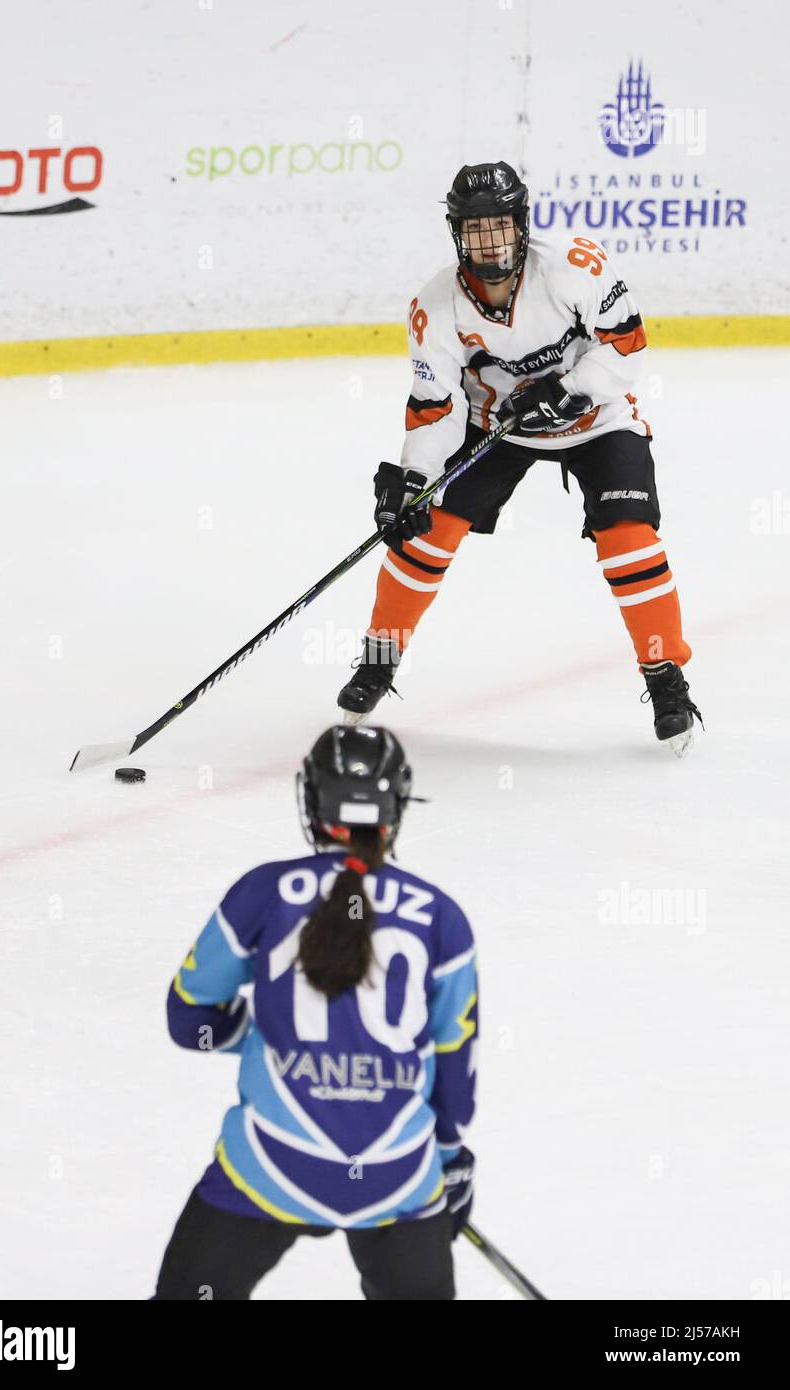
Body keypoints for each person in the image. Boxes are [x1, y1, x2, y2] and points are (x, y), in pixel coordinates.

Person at [337, 160, 703, 756]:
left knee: (629, 539)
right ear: (458, 233)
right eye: (476, 229)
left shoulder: (572, 267)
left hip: (598, 419)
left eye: (500, 225)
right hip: (497, 428)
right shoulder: (435, 307)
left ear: (522, 224)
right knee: (423, 537)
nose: (490, 241)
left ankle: (665, 678)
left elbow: (627, 344)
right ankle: (378, 663)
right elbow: (436, 406)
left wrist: (571, 391)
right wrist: (412, 482)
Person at [153, 724, 478, 1301]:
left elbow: (189, 1020)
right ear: (396, 804)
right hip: (397, 1179)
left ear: (311, 799)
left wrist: (252, 1037)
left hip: (272, 1169)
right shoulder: (441, 917)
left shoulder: (263, 892)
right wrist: (448, 1159)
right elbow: (454, 1064)